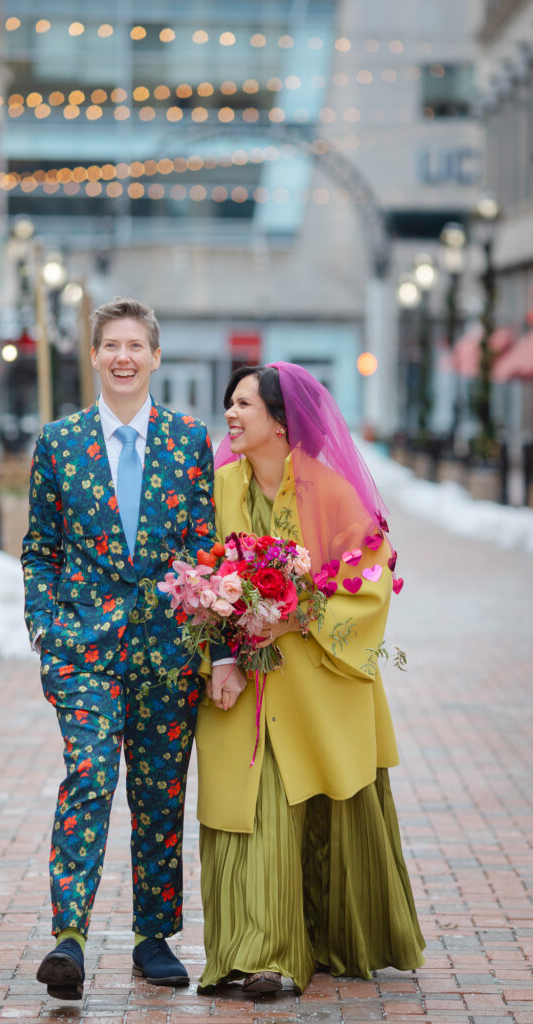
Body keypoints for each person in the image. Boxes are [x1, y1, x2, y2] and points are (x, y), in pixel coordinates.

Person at [195, 362, 425, 995]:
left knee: (319, 803)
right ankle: (256, 953)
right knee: (249, 808)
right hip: (241, 682)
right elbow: (199, 574)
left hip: (316, 679)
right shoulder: (219, 490)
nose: (232, 416)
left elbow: (368, 579)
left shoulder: (330, 491)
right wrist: (224, 648)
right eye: (229, 404)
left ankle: (314, 943)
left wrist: (293, 613)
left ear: (280, 420)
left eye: (244, 405)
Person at [21, 297, 215, 1000]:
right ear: (95, 356)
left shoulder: (190, 440)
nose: (124, 357)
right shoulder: (60, 442)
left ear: (155, 357)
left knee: (160, 795)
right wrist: (44, 622)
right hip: (84, 651)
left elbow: (205, 551)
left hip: (166, 651)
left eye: (137, 346)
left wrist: (213, 647)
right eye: (112, 346)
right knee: (92, 775)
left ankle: (151, 939)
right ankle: (68, 936)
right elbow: (40, 547)